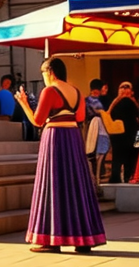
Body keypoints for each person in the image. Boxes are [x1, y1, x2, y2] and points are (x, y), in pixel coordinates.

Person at [16, 57, 105, 254]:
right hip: (73, 137)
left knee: (53, 186)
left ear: (50, 72)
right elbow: (81, 118)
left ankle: (51, 239)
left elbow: (38, 121)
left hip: (55, 137)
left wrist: (24, 104)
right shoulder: (77, 92)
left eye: (43, 74)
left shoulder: (49, 90)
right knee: (76, 186)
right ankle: (83, 240)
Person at [106, 82, 139, 184]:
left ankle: (129, 176)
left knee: (132, 156)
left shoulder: (133, 102)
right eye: (122, 87)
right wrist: (119, 98)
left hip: (134, 131)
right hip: (118, 133)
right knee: (117, 156)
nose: (125, 89)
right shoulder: (115, 102)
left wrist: (130, 98)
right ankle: (116, 177)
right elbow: (108, 113)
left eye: (127, 87)